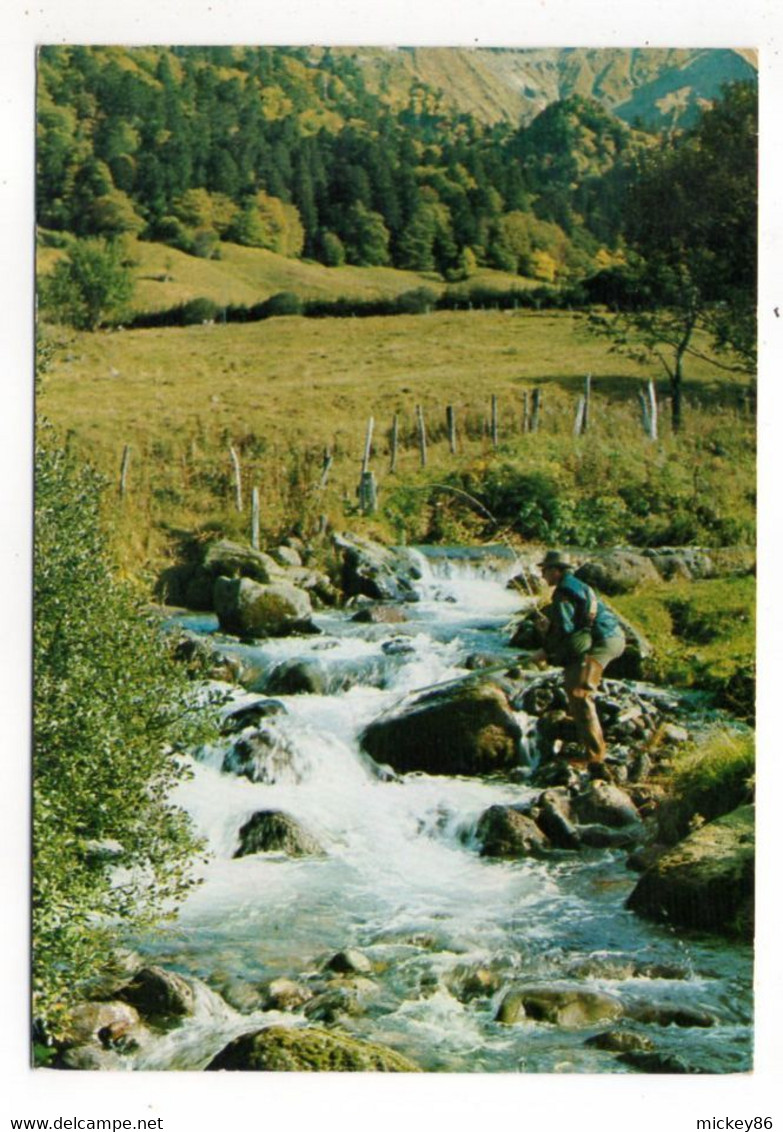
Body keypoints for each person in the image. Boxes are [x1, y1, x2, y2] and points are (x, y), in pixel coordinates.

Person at [529, 550, 625, 768]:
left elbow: (565, 629)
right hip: (610, 638)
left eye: (545, 570)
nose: (543, 576)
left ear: (556, 571)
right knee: (572, 679)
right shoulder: (577, 585)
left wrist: (545, 651)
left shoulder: (563, 593)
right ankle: (584, 735)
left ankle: (594, 755)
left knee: (579, 692)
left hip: (603, 641)